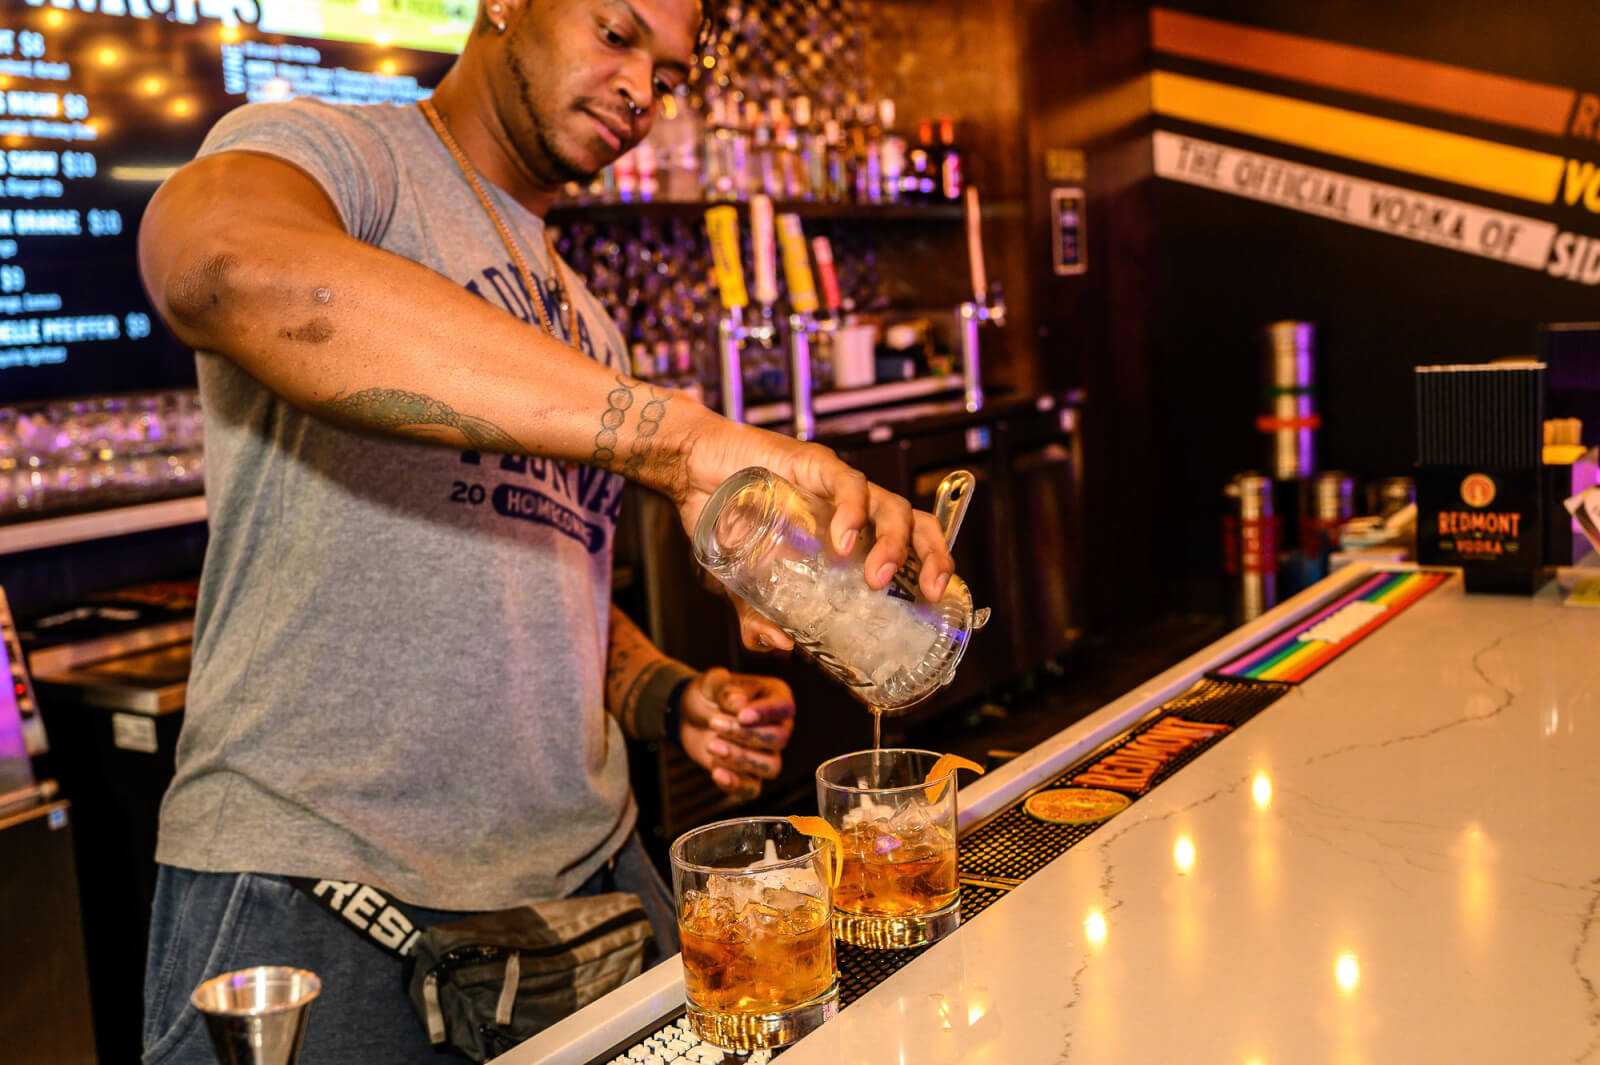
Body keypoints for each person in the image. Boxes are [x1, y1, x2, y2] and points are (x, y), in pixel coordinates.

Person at [134, 0, 955, 1061]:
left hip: (587, 895)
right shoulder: (342, 159)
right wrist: (682, 441)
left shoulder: (585, 320)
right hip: (322, 890)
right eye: (615, 34)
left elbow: (541, 571)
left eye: (666, 76)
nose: (639, 93)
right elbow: (224, 268)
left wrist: (668, 694)